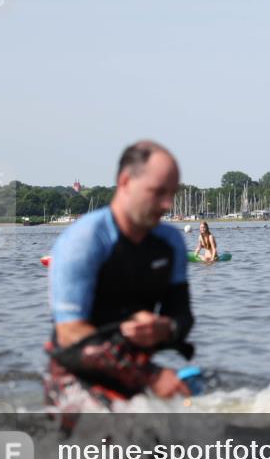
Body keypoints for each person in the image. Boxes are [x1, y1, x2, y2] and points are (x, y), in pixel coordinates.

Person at [44, 141, 195, 426]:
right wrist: (151, 376)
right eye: (158, 192)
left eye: (172, 194)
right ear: (125, 182)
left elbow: (183, 316)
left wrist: (164, 328)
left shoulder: (170, 242)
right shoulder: (84, 240)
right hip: (77, 376)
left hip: (136, 370)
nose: (168, 205)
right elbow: (70, 334)